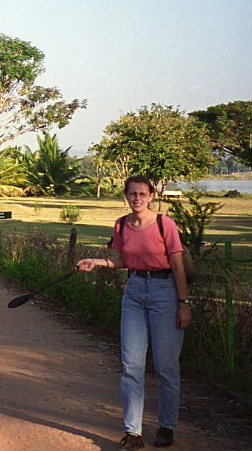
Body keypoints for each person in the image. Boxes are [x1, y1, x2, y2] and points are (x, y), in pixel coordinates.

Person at [76, 175, 191, 450]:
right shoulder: (121, 225)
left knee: (165, 366)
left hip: (165, 292)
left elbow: (177, 266)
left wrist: (184, 303)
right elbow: (124, 261)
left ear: (151, 196)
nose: (137, 198)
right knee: (131, 365)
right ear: (126, 196)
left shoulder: (166, 224)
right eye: (132, 194)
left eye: (142, 194)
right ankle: (133, 432)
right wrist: (97, 261)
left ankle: (166, 425)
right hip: (135, 293)